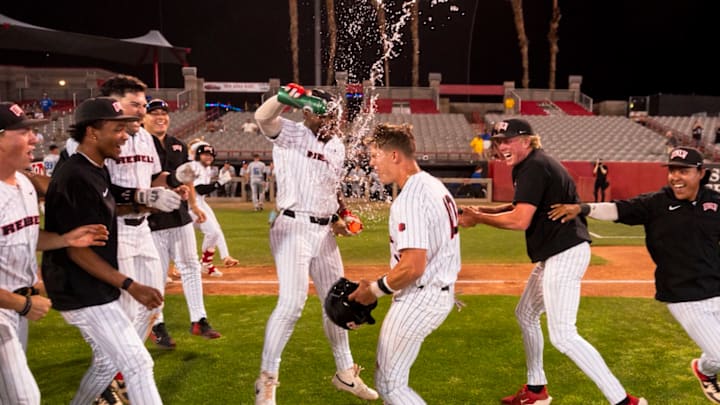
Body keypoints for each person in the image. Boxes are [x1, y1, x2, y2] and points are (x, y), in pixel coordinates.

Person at [458, 119, 646, 405]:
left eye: (508, 140)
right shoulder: (531, 164)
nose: (502, 146)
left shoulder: (534, 165)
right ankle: (536, 391)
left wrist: (479, 218)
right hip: (557, 252)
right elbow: (521, 205)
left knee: (564, 335)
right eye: (498, 141)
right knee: (525, 314)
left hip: (565, 252)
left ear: (528, 140)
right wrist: (482, 209)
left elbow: (520, 220)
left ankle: (624, 401)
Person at [549, 146, 720, 404]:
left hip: (716, 287)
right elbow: (618, 209)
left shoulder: (714, 202)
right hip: (684, 295)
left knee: (716, 352)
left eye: (683, 171)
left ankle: (704, 368)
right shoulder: (656, 203)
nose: (676, 177)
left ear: (700, 173)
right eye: (672, 171)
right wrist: (582, 209)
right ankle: (706, 371)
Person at [252, 83, 377, 404]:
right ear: (309, 113)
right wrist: (282, 98)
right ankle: (267, 381)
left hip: (324, 231)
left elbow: (331, 185)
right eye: (329, 116)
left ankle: (346, 373)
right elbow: (263, 118)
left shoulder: (336, 144)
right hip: (293, 225)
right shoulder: (292, 132)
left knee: (338, 302)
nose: (336, 122)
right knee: (292, 304)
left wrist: (343, 215)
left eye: (338, 116)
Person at [42, 97, 164, 404]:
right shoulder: (75, 176)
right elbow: (78, 250)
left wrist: (144, 204)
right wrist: (130, 285)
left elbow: (103, 213)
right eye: (117, 129)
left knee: (108, 364)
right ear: (92, 132)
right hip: (78, 288)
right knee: (138, 364)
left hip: (92, 285)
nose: (125, 135)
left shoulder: (96, 168)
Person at [0, 101, 110, 404]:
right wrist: (21, 304)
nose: (34, 139)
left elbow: (25, 236)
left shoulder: (22, 183)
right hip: (9, 306)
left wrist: (65, 239)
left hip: (16, 307)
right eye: (23, 132)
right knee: (24, 398)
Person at [349, 123, 461, 404]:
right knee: (391, 378)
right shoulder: (433, 184)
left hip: (421, 298)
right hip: (436, 292)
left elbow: (413, 267)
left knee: (390, 385)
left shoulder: (410, 197)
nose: (372, 163)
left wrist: (372, 291)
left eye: (375, 155)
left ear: (395, 155)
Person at [144, 98, 222, 348]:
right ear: (143, 118)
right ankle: (156, 325)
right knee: (156, 275)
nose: (160, 117)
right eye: (153, 113)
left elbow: (186, 176)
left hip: (178, 217)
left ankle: (199, 319)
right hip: (151, 219)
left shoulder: (177, 145)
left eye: (164, 113)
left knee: (190, 266)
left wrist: (194, 204)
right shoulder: (138, 147)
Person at [190, 143, 239, 277]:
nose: (208, 157)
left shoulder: (206, 168)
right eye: (205, 154)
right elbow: (199, 188)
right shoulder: (195, 167)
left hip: (199, 201)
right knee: (211, 232)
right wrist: (219, 183)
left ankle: (220, 259)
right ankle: (204, 264)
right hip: (191, 204)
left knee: (215, 230)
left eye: (210, 155)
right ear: (198, 155)